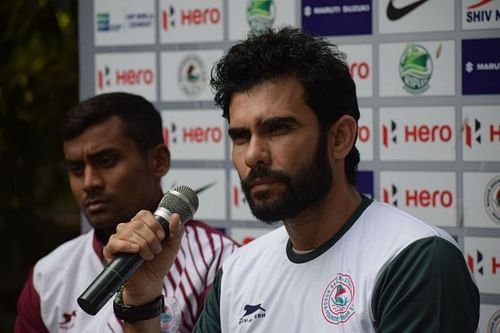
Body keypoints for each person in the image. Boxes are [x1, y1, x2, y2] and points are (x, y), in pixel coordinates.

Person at [103, 27, 480, 332]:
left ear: (339, 137)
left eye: (278, 128)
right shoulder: (239, 271)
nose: (253, 155)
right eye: (240, 136)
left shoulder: (413, 259)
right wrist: (142, 298)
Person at [14, 92, 239, 333]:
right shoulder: (48, 276)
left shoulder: (217, 261)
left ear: (159, 161)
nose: (89, 182)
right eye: (77, 168)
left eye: (106, 160)